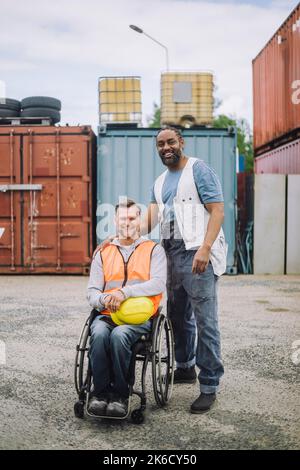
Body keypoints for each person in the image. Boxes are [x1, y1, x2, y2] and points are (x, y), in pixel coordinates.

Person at [142, 126, 227, 413]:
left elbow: (217, 210)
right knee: (178, 315)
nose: (166, 147)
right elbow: (150, 220)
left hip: (197, 252)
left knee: (205, 321)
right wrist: (126, 234)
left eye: (170, 142)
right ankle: (186, 367)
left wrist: (205, 248)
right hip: (170, 252)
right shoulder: (159, 181)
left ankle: (209, 385)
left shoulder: (198, 170)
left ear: (181, 142)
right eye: (160, 144)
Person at [87, 198, 166, 417]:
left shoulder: (154, 250)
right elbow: (91, 292)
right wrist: (105, 300)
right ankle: (100, 393)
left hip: (139, 318)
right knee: (101, 334)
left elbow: (159, 283)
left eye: (132, 218)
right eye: (123, 218)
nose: (127, 223)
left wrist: (125, 292)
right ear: (115, 220)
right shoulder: (103, 253)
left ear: (140, 220)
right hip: (106, 314)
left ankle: (121, 394)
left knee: (119, 336)